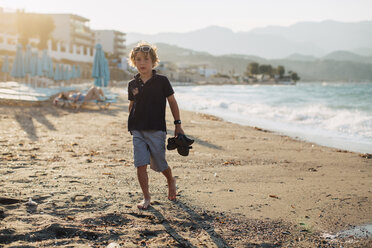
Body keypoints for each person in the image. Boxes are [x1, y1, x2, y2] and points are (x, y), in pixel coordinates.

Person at [127, 42, 185, 209]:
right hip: (137, 129)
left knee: (159, 163)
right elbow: (132, 105)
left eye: (146, 59)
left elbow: (172, 102)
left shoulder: (162, 81)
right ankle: (146, 198)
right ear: (134, 62)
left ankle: (170, 179)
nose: (142, 63)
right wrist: (130, 124)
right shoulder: (132, 84)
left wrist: (178, 124)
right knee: (140, 164)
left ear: (153, 62)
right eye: (138, 60)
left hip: (157, 129)